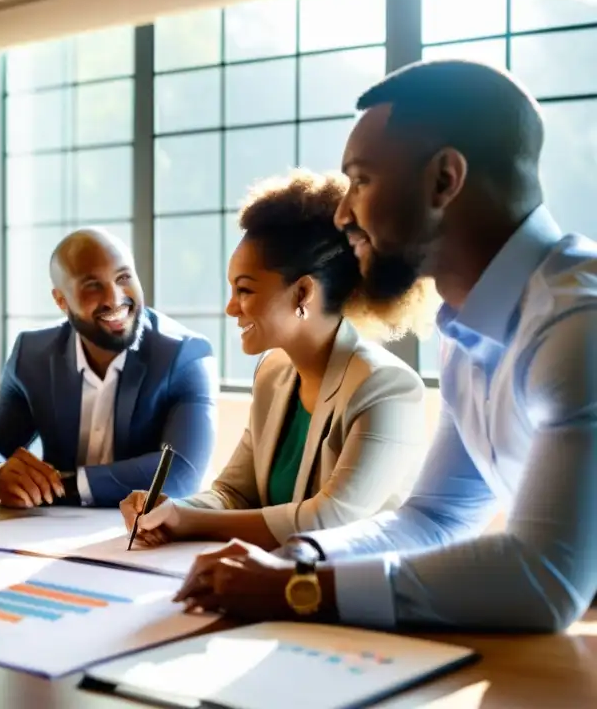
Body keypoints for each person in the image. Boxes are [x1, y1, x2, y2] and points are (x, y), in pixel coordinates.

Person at [175, 59, 597, 633]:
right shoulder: (464, 336)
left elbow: (544, 577)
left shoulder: (578, 326)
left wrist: (301, 589)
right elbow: (437, 516)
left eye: (362, 180)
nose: (343, 213)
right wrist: (305, 557)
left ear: (445, 179)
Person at [119, 170, 431, 551]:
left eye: (244, 290)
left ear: (302, 292)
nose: (231, 307)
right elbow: (233, 493)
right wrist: (169, 509)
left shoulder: (385, 387)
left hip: (350, 595)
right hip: (270, 581)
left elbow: (329, 520)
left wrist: (187, 521)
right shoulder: (273, 372)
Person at [0, 227, 217, 509]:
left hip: (144, 537)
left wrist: (58, 486)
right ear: (61, 300)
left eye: (123, 277)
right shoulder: (32, 355)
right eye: (92, 285)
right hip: (45, 536)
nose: (114, 298)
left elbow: (181, 473)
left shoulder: (186, 354)